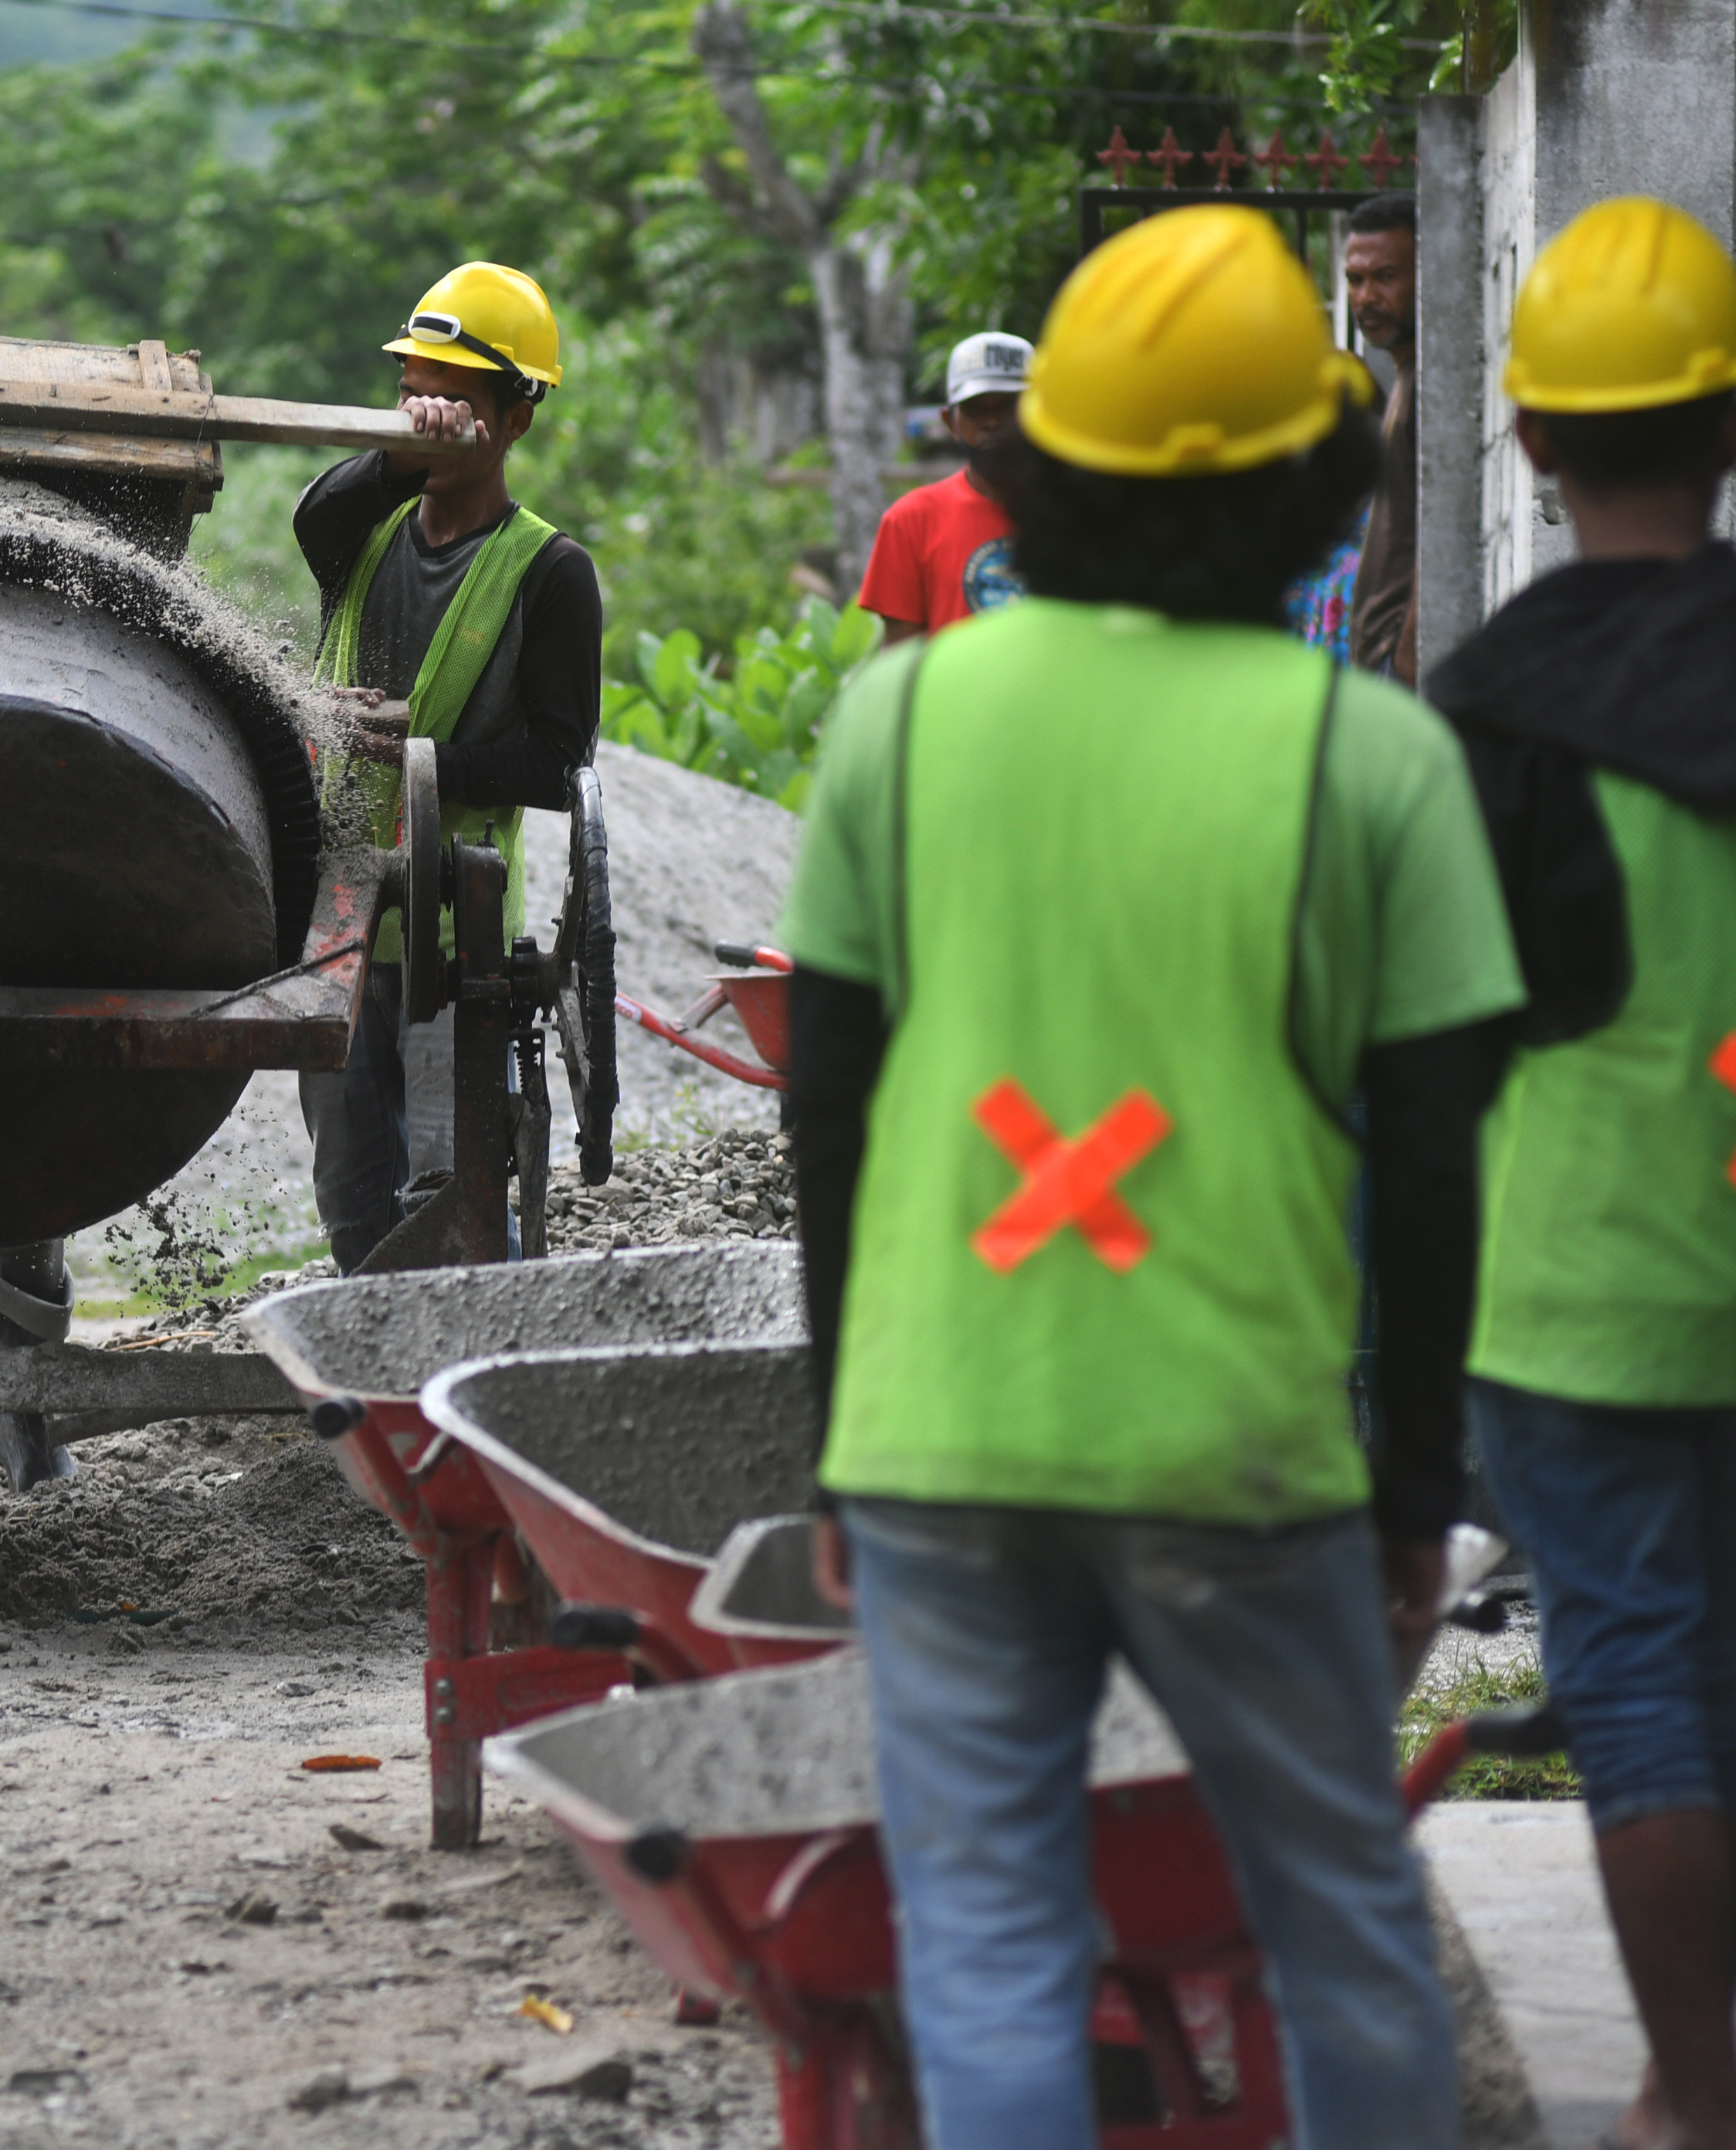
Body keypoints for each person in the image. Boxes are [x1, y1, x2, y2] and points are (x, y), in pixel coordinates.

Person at [778, 205, 1527, 2149]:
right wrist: (1418, 1494)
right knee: (1336, 1919)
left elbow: (833, 1120)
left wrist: (840, 1440)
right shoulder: (1371, 762)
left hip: (943, 1439)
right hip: (1242, 1452)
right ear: (1316, 480)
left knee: (993, 1944)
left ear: (1032, 476)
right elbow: (1436, 1168)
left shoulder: (902, 720)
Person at [1424, 195, 1736, 2150]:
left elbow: (1436, 1045)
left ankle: (1689, 2097)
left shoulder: (1480, 713)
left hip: (1568, 1286)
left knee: (1634, 1673)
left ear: (1524, 440)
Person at [293, 261, 601, 1275]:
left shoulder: (549, 574)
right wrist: (399, 456)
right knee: (350, 1198)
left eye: (454, 400)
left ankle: (486, 1388)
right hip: (337, 923)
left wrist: (420, 757)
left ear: (516, 419)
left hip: (450, 934)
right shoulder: (362, 531)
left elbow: (558, 765)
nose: (425, 417)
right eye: (412, 392)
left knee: (448, 1197)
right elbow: (312, 513)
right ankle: (392, 1410)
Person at [856, 331, 1032, 643]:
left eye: (1008, 406)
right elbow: (900, 658)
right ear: (950, 422)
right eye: (976, 408)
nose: (992, 422)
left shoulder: (1081, 515)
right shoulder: (911, 521)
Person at [1344, 192, 1420, 683]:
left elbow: (1442, 522)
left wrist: (1409, 651)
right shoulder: (1405, 381)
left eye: (1385, 278)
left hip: (1400, 661)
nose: (1366, 297)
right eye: (1356, 280)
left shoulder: (1427, 387)